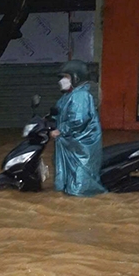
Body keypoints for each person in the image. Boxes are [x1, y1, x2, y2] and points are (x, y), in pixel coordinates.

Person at [50, 60, 105, 196]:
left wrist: (60, 130)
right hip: (70, 145)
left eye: (66, 77)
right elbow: (59, 113)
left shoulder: (80, 96)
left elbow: (78, 121)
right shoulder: (69, 96)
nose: (62, 81)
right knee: (68, 182)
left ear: (76, 77)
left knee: (79, 187)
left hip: (80, 146)